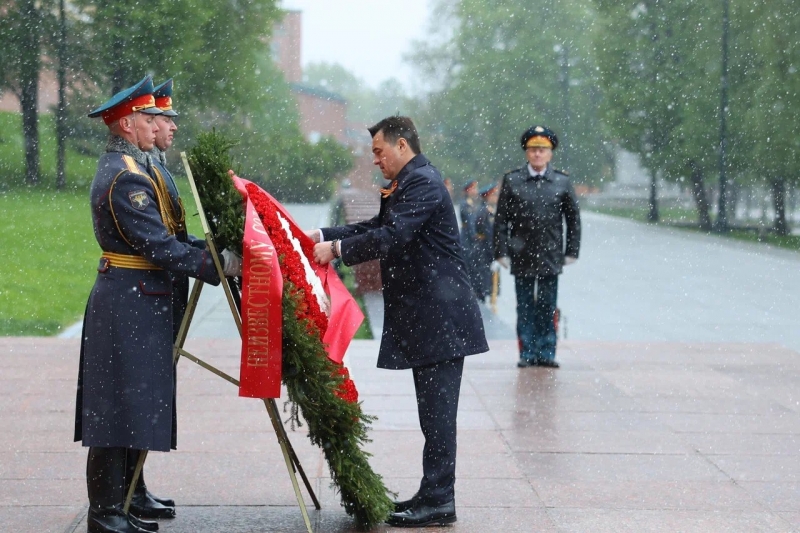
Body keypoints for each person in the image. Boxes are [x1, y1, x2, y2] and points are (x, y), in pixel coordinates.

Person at [74, 76, 240, 533]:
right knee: (115, 409)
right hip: (128, 300)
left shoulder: (137, 167)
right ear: (127, 124)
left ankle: (127, 495)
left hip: (140, 298)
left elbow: (169, 236)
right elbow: (158, 246)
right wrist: (215, 266)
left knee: (136, 402)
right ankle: (106, 512)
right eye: (150, 118)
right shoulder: (125, 177)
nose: (158, 125)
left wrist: (211, 255)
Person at [307, 116, 488, 528]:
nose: (375, 160)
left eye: (378, 151)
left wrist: (335, 249)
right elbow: (377, 227)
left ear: (402, 146)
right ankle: (432, 492)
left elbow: (393, 236)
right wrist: (322, 233)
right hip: (430, 316)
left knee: (438, 414)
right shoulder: (409, 182)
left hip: (442, 318)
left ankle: (440, 500)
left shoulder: (422, 182)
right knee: (432, 414)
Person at [493, 125, 581, 369]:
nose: (538, 155)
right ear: (526, 153)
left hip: (550, 255)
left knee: (546, 305)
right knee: (524, 307)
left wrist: (572, 251)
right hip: (521, 254)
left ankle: (546, 351)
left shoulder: (561, 182)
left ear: (550, 153)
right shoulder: (513, 180)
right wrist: (500, 251)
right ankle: (527, 352)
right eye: (533, 150)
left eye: (543, 150)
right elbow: (501, 219)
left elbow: (573, 219)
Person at [474, 183, 500, 302]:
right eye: (493, 195)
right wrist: (494, 255)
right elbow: (489, 235)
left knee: (487, 283)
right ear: (487, 196)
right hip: (484, 251)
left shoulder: (487, 211)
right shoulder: (484, 212)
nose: (496, 197)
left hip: (485, 250)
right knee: (484, 284)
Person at [458, 179, 483, 299]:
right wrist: (475, 236)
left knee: (473, 266)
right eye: (473, 188)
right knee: (468, 264)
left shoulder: (472, 203)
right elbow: (470, 222)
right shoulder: (465, 204)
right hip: (467, 238)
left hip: (469, 238)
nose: (476, 191)